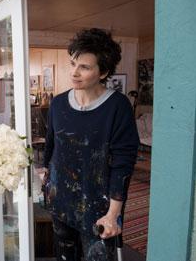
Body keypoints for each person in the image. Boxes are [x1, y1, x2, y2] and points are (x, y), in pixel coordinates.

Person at [42, 28, 139, 261]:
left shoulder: (118, 106)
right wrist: (45, 179)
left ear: (103, 72)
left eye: (84, 67)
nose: (74, 73)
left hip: (99, 210)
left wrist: (113, 214)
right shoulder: (58, 104)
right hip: (61, 202)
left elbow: (123, 163)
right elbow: (51, 147)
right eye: (73, 64)